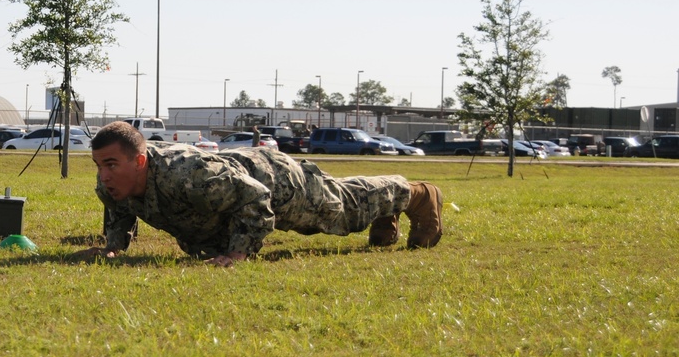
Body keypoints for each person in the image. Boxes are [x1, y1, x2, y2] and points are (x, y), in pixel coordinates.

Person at [73, 121, 444, 267]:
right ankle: (388, 211)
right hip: (239, 186)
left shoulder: (190, 175)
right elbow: (120, 210)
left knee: (341, 212)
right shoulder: (111, 185)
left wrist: (237, 253)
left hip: (275, 181)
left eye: (111, 165)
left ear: (139, 161)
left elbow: (254, 199)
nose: (103, 175)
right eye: (98, 165)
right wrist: (113, 246)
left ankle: (417, 194)